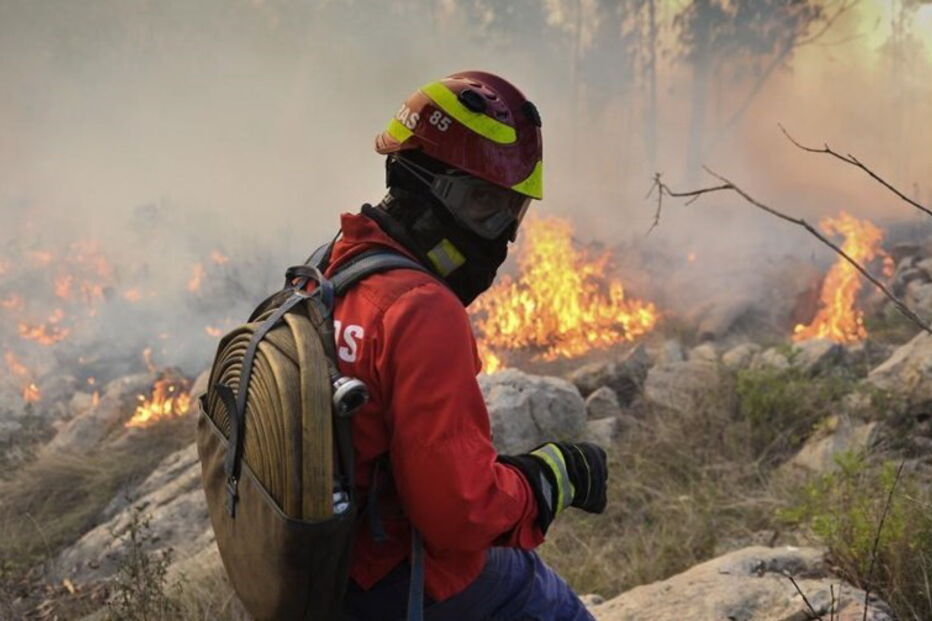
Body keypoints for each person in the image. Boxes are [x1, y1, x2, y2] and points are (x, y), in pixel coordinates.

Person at [325, 71, 608, 621]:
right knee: (544, 599)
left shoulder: (336, 269)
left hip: (324, 573)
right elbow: (459, 515)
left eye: (510, 210)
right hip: (393, 580)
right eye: (482, 202)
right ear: (423, 187)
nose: (500, 231)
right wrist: (547, 479)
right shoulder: (421, 310)